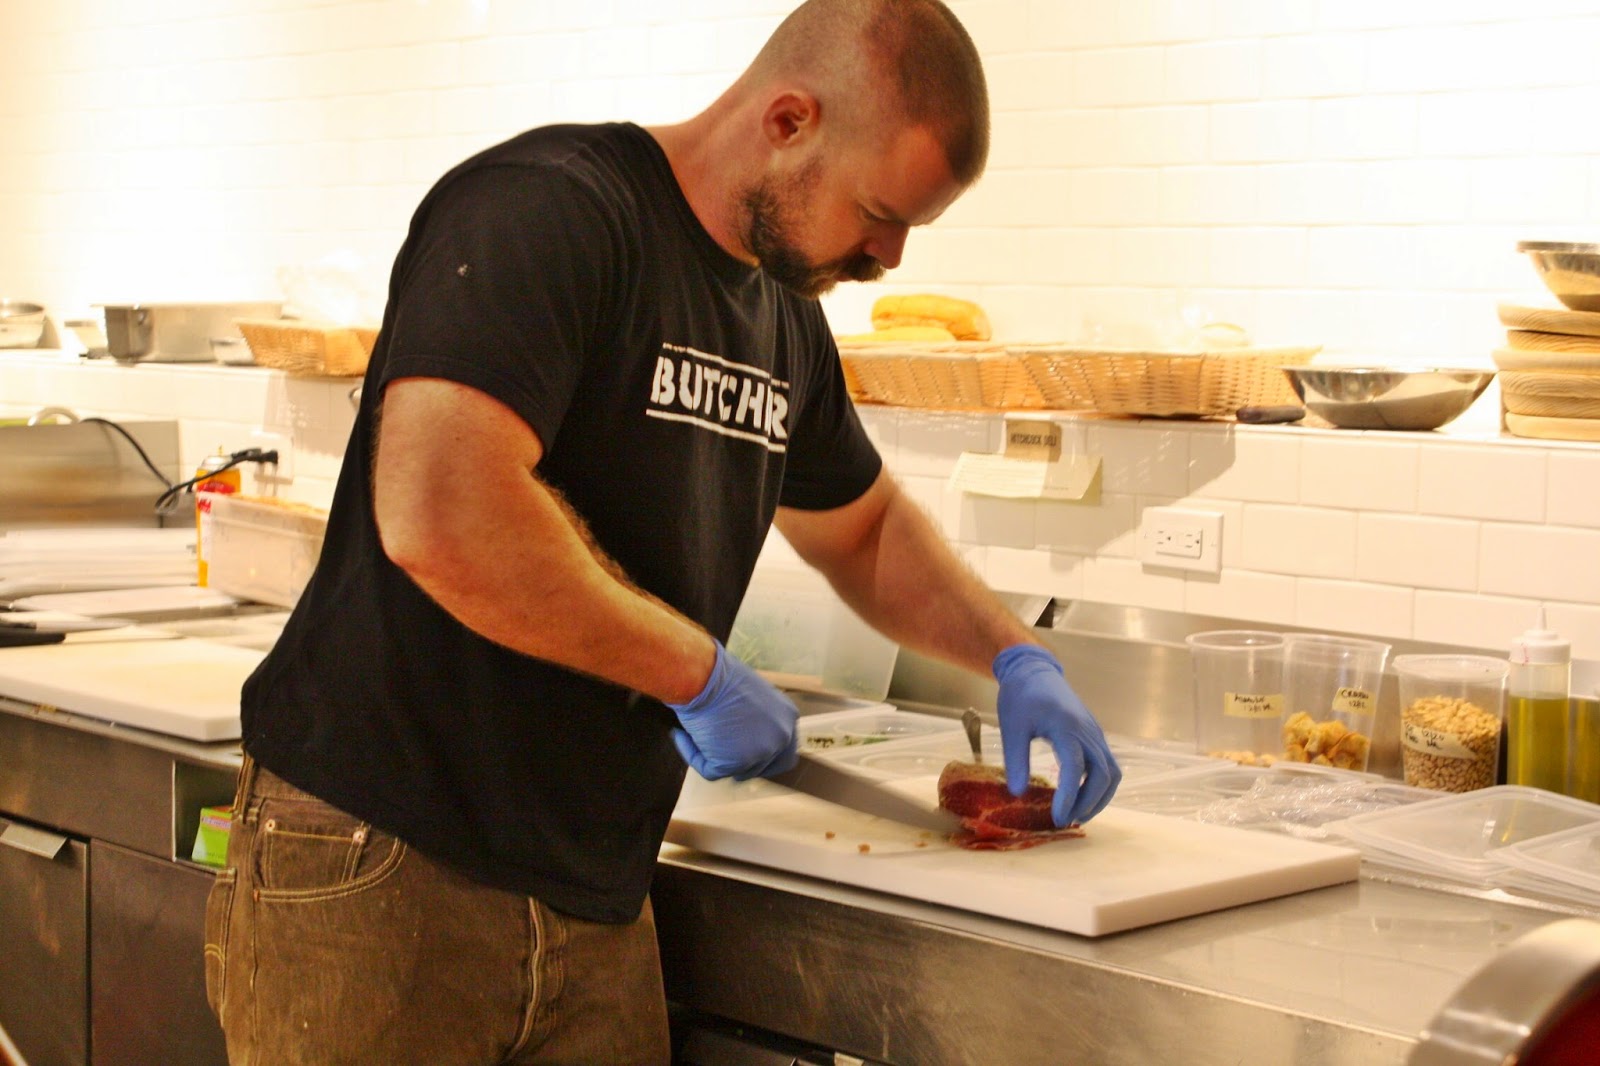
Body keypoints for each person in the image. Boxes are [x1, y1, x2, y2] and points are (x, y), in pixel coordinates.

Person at [204, 1, 1121, 1062]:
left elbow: (863, 532)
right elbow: (441, 511)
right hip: (389, 856)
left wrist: (1013, 654)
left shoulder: (781, 317)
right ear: (789, 120)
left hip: (595, 883)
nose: (891, 254)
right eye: (879, 212)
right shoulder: (548, 212)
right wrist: (694, 673)